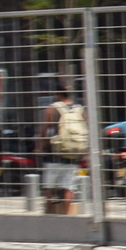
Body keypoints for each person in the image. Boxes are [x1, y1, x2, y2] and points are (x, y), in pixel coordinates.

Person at [39, 85, 88, 215]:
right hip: (73, 155)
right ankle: (67, 217)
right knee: (68, 188)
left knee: (49, 188)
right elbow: (85, 132)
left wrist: (40, 148)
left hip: (54, 155)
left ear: (57, 94)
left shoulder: (51, 109)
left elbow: (43, 132)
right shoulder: (80, 110)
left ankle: (49, 216)